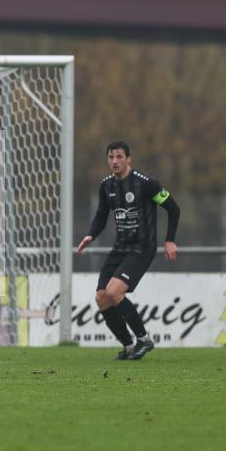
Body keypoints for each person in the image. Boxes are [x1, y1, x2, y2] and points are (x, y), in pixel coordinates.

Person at [77, 140, 180, 360]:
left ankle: (144, 339)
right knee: (102, 297)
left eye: (119, 157)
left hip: (142, 248)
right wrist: (90, 235)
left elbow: (173, 208)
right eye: (111, 157)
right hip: (120, 248)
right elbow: (101, 215)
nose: (114, 161)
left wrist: (170, 240)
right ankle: (129, 346)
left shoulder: (146, 184)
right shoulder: (106, 186)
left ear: (128, 159)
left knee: (114, 292)